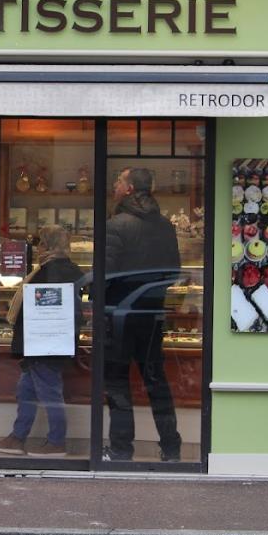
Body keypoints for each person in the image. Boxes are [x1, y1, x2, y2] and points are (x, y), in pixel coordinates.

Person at [104, 167, 183, 462]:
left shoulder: (115, 225)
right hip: (152, 314)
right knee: (156, 381)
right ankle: (171, 447)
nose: (114, 184)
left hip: (120, 315)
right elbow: (174, 272)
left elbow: (107, 275)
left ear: (128, 189)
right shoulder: (165, 226)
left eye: (118, 180)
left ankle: (121, 449)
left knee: (117, 381)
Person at [0, 225, 84, 458]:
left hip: (44, 345)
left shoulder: (50, 271)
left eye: (41, 244)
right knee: (25, 391)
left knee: (50, 393)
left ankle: (57, 441)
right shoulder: (68, 269)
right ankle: (18, 437)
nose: (37, 249)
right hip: (45, 343)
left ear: (48, 246)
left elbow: (44, 312)